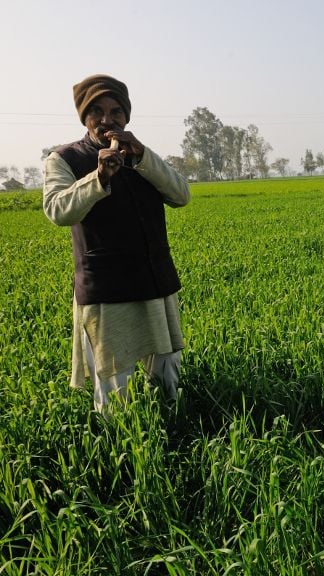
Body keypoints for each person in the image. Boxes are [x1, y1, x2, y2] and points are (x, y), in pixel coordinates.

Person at [43, 74, 190, 411]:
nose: (107, 120)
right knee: (112, 383)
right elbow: (57, 209)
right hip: (107, 289)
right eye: (96, 112)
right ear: (84, 117)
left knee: (167, 371)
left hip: (154, 281)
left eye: (116, 112)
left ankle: (174, 428)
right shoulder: (65, 159)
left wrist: (142, 157)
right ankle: (118, 444)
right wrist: (98, 177)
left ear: (127, 116)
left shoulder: (141, 156)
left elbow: (181, 195)